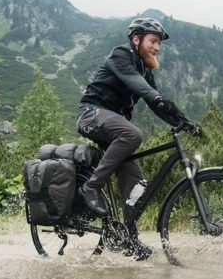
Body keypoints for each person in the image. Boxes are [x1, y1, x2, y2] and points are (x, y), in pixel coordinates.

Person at [75, 17, 188, 260]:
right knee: (132, 133)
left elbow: (155, 101)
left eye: (159, 44)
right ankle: (90, 186)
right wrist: (156, 98)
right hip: (91, 115)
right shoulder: (121, 56)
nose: (157, 48)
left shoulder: (145, 69)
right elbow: (143, 89)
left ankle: (130, 240)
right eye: (153, 41)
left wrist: (182, 121)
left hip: (113, 125)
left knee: (136, 185)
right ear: (136, 39)